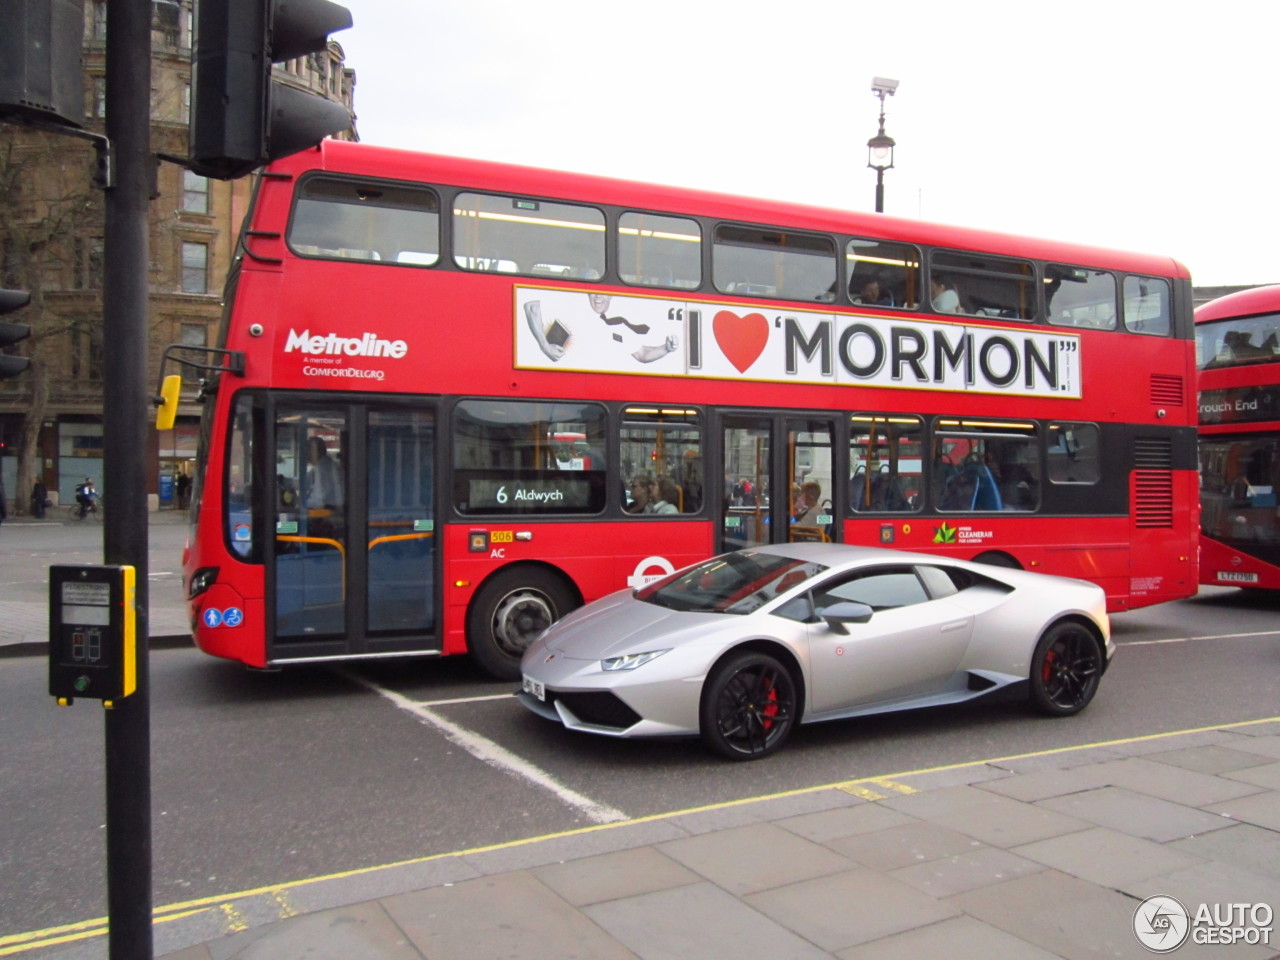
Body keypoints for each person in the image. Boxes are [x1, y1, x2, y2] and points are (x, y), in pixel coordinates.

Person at [305, 437, 343, 509]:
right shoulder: (323, 465)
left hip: (332, 511)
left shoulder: (324, 469)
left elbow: (319, 501)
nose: (306, 454)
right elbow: (306, 481)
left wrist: (301, 503)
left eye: (309, 450)